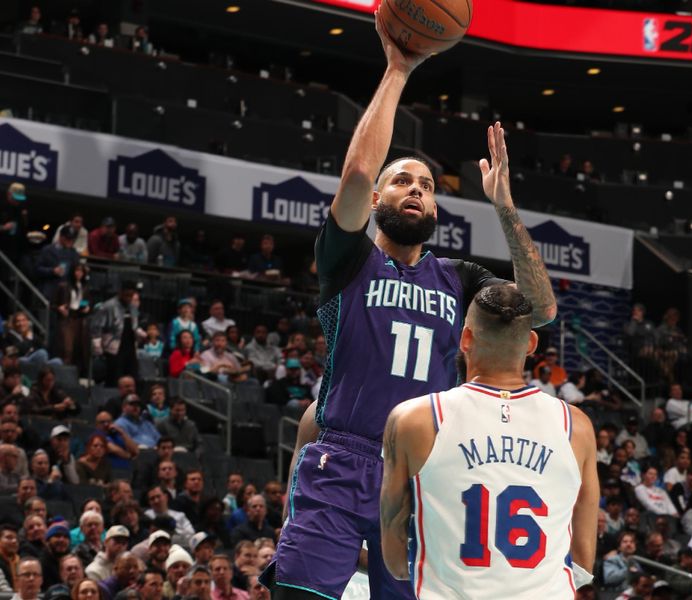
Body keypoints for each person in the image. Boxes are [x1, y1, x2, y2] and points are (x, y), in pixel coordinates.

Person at [266, 15, 556, 600]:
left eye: (426, 184)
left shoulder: (460, 279)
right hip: (340, 462)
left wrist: (504, 208)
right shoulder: (347, 259)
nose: (417, 189)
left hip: (423, 473)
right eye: (402, 181)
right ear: (378, 199)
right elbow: (353, 174)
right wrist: (398, 69)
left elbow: (542, 310)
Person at [380, 285, 595, 597]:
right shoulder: (576, 427)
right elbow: (583, 563)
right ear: (532, 343)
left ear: (465, 338)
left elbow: (396, 562)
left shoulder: (414, 419)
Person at [90, 282, 141, 386]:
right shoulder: (108, 306)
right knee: (114, 379)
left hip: (130, 347)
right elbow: (96, 327)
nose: (128, 298)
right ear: (120, 292)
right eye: (126, 295)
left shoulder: (133, 307)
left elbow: (134, 326)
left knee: (132, 377)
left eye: (131, 296)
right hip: (113, 348)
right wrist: (97, 346)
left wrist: (141, 334)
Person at [53, 262, 91, 372]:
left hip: (80, 317)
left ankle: (77, 373)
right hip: (67, 318)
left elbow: (87, 302)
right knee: (67, 347)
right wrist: (59, 308)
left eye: (81, 271)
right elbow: (53, 304)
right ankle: (64, 372)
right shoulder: (63, 285)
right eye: (77, 270)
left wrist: (87, 307)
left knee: (79, 348)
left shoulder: (85, 287)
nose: (79, 273)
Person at [0, 182, 29, 262]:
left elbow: (23, 229)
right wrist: (3, 228)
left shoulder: (21, 209)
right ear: (9, 194)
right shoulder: (2, 206)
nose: (18, 201)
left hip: (14, 253)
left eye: (19, 199)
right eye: (15, 198)